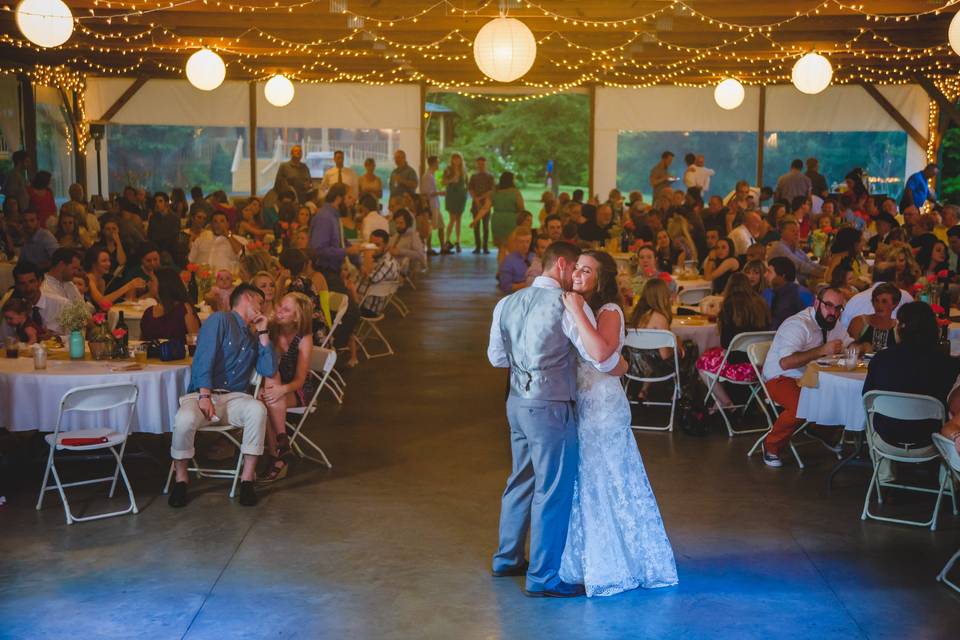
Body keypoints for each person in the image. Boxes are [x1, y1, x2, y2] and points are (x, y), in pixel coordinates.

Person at [487, 241, 626, 598]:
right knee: (552, 491)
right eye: (575, 267)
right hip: (550, 406)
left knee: (520, 480)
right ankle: (543, 577)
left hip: (516, 401)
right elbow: (597, 358)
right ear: (562, 265)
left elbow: (497, 360)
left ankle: (506, 557)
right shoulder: (565, 305)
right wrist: (622, 365)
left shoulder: (506, 303)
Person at [552, 250, 678, 596]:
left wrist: (577, 312)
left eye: (587, 270)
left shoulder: (608, 310)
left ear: (602, 278)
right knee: (585, 482)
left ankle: (620, 562)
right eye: (576, 267)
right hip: (580, 404)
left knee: (609, 481)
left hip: (603, 407)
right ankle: (584, 559)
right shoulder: (573, 303)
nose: (578, 273)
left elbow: (604, 356)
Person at [168, 284, 275, 508]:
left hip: (235, 398)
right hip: (203, 395)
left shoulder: (254, 336)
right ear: (248, 298)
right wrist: (204, 395)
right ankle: (181, 479)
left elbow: (268, 369)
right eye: (260, 302)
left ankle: (246, 480)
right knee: (184, 419)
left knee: (258, 409)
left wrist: (264, 332)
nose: (262, 308)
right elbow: (203, 358)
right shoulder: (220, 320)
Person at [863, 302, 960, 482]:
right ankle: (946, 482)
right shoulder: (947, 364)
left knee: (870, 412)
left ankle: (884, 476)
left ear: (900, 327)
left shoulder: (881, 358)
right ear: (934, 329)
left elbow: (866, 397)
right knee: (950, 412)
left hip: (886, 440)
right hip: (929, 441)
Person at [759, 287, 853, 467]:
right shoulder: (798, 325)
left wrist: (861, 347)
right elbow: (785, 363)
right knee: (801, 406)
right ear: (817, 303)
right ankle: (771, 445)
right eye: (828, 306)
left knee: (843, 394)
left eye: (838, 308)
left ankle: (819, 430)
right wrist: (822, 350)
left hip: (812, 376)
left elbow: (849, 342)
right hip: (781, 376)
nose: (833, 312)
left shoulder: (833, 323)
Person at [260, 292, 315, 482]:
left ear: (297, 317)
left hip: (297, 389)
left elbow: (301, 379)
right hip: (272, 387)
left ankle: (276, 456)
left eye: (286, 309)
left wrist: (281, 389)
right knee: (267, 395)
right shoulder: (272, 329)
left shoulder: (304, 339)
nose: (280, 311)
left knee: (265, 402)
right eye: (280, 306)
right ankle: (282, 446)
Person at [696, 273, 771, 410]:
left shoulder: (729, 305)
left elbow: (726, 343)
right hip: (761, 365)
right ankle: (721, 403)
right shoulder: (761, 302)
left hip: (737, 365)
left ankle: (727, 403)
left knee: (702, 364)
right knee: (717, 356)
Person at [625, 277, 678, 404]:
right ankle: (679, 395)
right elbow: (665, 355)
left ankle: (643, 390)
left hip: (634, 366)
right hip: (655, 368)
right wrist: (677, 348)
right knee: (689, 350)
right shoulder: (660, 319)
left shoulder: (635, 315)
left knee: (649, 352)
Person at [308, 184, 362, 277]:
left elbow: (342, 242)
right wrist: (346, 251)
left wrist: (358, 263)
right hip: (324, 272)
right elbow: (318, 250)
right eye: (349, 198)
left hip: (334, 270)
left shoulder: (334, 216)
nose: (352, 203)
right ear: (338, 198)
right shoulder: (325, 217)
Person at [3, 261, 66, 334]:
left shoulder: (61, 305)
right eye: (22, 284)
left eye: (32, 282)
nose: (28, 288)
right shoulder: (12, 309)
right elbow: (4, 339)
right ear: (16, 285)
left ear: (40, 281)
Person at [141, 268, 200, 342]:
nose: (148, 283)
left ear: (163, 284)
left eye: (152, 280)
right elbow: (142, 341)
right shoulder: (148, 313)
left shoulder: (184, 309)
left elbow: (195, 341)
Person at [766, 218, 826, 286]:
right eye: (793, 231)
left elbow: (809, 262)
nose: (797, 233)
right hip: (785, 285)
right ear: (782, 232)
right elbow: (799, 265)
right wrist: (821, 273)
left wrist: (825, 270)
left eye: (798, 231)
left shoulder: (796, 248)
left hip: (802, 281)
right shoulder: (780, 247)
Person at [354, 229, 399, 317]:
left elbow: (372, 278)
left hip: (368, 307)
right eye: (371, 244)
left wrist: (365, 260)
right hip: (357, 300)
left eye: (377, 245)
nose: (373, 247)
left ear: (386, 247)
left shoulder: (388, 263)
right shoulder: (374, 258)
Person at [763, 256, 814, 330]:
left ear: (782, 276)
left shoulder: (801, 293)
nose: (765, 275)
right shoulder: (767, 292)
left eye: (769, 272)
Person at [847, 282, 900, 352]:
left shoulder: (898, 328)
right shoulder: (859, 322)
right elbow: (847, 350)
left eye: (884, 301)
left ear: (894, 304)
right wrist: (861, 347)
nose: (879, 305)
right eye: (876, 301)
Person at [491, 171, 525, 253]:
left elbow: (485, 207)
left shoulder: (495, 192)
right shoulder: (515, 192)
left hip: (497, 220)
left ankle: (501, 265)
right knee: (512, 247)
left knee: (501, 248)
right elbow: (521, 207)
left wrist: (476, 220)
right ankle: (510, 264)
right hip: (511, 220)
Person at [469, 156, 496, 255]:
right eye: (479, 164)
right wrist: (476, 200)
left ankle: (485, 247)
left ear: (485, 164)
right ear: (477, 164)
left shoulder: (490, 176)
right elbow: (470, 189)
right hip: (475, 204)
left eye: (482, 164)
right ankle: (477, 247)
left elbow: (491, 190)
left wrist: (480, 199)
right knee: (476, 225)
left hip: (486, 203)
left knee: (485, 226)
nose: (481, 165)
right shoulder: (473, 176)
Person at [419, 155, 445, 256]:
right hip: (431, 205)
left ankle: (442, 247)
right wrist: (440, 193)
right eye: (437, 162)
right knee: (430, 226)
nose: (438, 164)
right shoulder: (427, 176)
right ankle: (429, 248)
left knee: (441, 225)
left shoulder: (432, 175)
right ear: (433, 163)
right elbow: (425, 193)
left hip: (436, 204)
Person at [443, 152, 468, 253]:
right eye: (454, 159)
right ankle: (447, 240)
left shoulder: (464, 170)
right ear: (452, 160)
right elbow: (443, 182)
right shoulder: (448, 169)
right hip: (452, 195)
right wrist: (451, 180)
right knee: (452, 219)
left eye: (458, 159)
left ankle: (458, 241)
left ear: (461, 160)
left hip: (461, 196)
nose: (456, 161)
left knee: (459, 219)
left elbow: (466, 182)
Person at [497, 227, 534, 294]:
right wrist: (528, 284)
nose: (525, 245)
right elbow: (505, 287)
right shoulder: (508, 261)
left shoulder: (534, 257)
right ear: (515, 242)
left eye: (527, 242)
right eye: (521, 242)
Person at [147, 192, 182, 262]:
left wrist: (164, 251)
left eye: (160, 201)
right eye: (156, 201)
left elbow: (173, 237)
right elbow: (150, 235)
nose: (157, 204)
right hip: (155, 249)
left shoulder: (175, 218)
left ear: (166, 203)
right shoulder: (153, 217)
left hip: (170, 250)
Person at [388, 209, 425, 274]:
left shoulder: (413, 236)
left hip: (404, 271)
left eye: (401, 223)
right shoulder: (397, 235)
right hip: (392, 268)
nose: (398, 226)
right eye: (396, 223)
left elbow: (420, 255)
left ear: (407, 223)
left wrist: (401, 251)